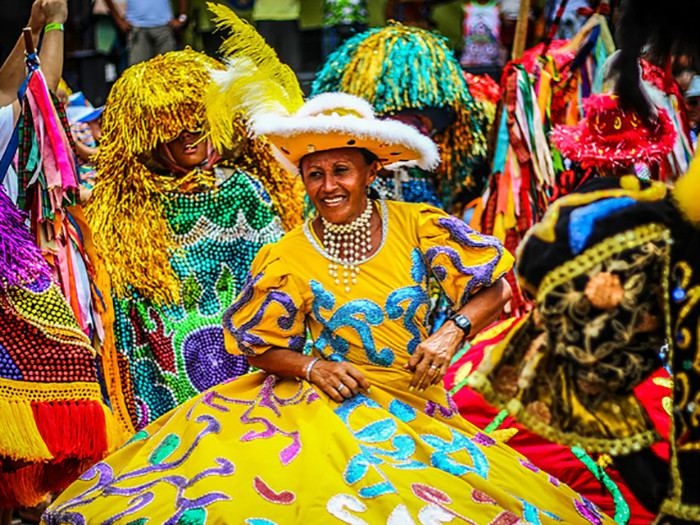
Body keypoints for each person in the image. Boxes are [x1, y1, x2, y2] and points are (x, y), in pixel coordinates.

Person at [43, 87, 617, 524]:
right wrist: (312, 366)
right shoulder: (287, 253)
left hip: (414, 405)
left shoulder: (420, 227)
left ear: (372, 170)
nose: (328, 185)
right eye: (314, 175)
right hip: (318, 407)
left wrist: (453, 332)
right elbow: (257, 344)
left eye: (341, 169)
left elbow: (495, 287)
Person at [85, 49, 304, 433]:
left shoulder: (244, 188)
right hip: (167, 372)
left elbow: (282, 274)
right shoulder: (127, 203)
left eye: (198, 121)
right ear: (149, 133)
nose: (190, 135)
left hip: (254, 355)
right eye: (172, 125)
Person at [104, 0, 187, 66]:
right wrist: (118, 20)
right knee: (138, 74)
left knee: (167, 71)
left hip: (164, 27)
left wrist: (182, 17)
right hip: (137, 28)